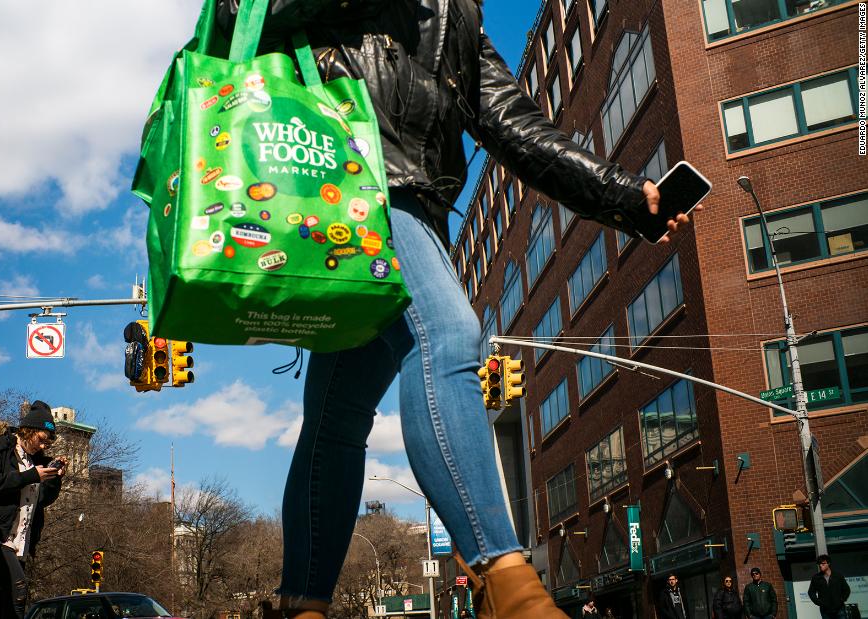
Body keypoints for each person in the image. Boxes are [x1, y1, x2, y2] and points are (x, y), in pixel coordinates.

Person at [212, 1, 699, 618]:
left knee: (336, 417)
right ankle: (509, 585)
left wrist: (624, 196)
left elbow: (517, 127)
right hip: (341, 182)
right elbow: (233, 13)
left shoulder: (454, 14)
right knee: (445, 334)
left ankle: (301, 605)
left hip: (414, 207)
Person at [0, 401, 66, 619]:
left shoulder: (36, 461)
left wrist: (54, 479)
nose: (43, 446)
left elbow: (41, 500)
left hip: (19, 541)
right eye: (41, 440)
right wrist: (31, 476)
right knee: (18, 589)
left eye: (47, 444)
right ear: (28, 430)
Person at [808, 554, 851, 619]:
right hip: (825, 610)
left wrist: (841, 600)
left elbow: (846, 590)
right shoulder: (816, 578)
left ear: (828, 563)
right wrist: (818, 602)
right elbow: (811, 592)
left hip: (839, 609)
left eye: (823, 564)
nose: (820, 565)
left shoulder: (838, 576)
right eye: (819, 564)